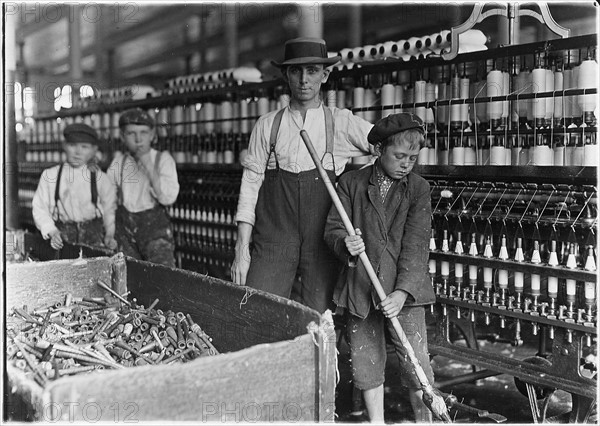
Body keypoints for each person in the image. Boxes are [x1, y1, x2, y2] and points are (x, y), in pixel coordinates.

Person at [230, 37, 374, 313]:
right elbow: (249, 189)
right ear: (286, 75)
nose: (304, 80)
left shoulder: (340, 122)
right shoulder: (267, 126)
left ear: (325, 74)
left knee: (319, 319)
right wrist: (241, 251)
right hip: (274, 238)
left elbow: (386, 144)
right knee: (258, 308)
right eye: (296, 71)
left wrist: (355, 185)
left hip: (322, 241)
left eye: (312, 71)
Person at [324, 113, 436, 423]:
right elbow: (333, 229)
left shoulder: (418, 189)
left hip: (405, 292)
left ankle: (424, 420)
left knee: (416, 363)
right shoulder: (351, 183)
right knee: (366, 361)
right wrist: (346, 243)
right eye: (399, 156)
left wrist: (402, 292)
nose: (406, 164)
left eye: (412, 158)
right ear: (378, 151)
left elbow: (416, 245)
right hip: (361, 286)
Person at [108, 108, 179, 267]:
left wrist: (148, 164)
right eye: (131, 133)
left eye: (144, 132)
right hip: (125, 235)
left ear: (153, 135)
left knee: (162, 277)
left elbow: (168, 198)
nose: (138, 139)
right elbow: (107, 201)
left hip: (155, 234)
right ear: (122, 136)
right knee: (127, 278)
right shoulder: (119, 163)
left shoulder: (163, 160)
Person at [32, 123, 117, 251]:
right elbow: (39, 209)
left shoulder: (102, 179)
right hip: (62, 239)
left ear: (94, 150)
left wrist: (110, 235)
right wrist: (52, 231)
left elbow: (109, 212)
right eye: (72, 145)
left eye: (84, 147)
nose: (78, 152)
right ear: (64, 146)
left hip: (93, 239)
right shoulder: (50, 175)